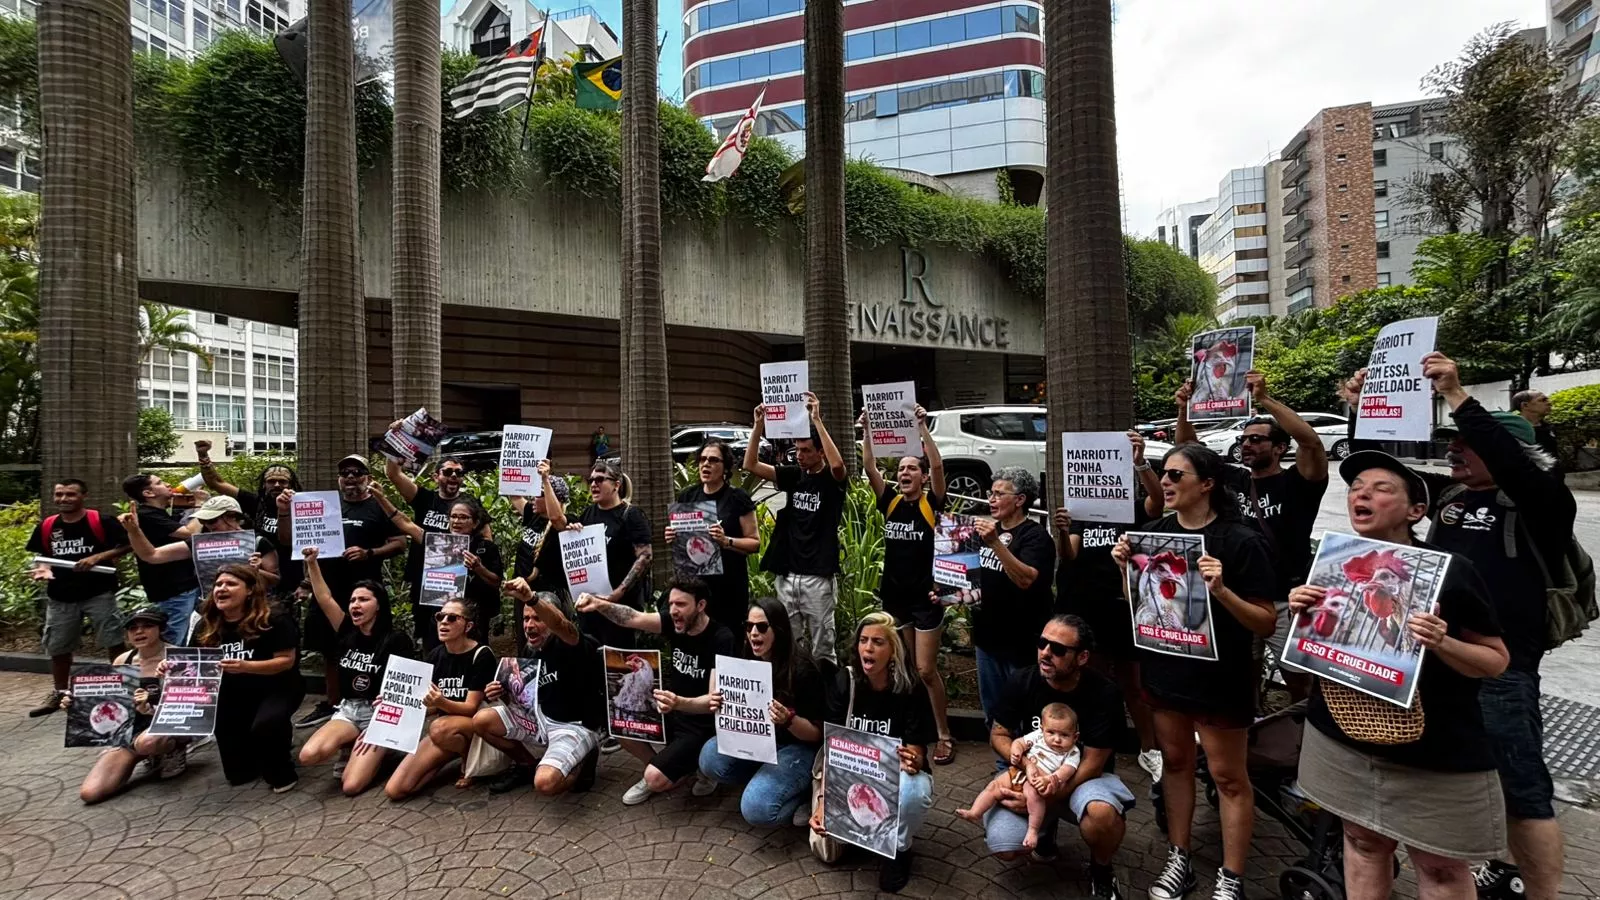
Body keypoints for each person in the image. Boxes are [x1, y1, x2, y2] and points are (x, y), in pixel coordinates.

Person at [1347, 354, 1577, 900]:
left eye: (1467, 444)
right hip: (1436, 661)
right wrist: (1364, 408)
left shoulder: (1540, 501)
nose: (1454, 450)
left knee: (1521, 789)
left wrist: (1455, 392)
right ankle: (1492, 862)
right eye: (1452, 442)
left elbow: (1513, 462)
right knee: (1464, 777)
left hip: (1500, 669)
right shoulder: (1450, 496)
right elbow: (1383, 478)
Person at [1291, 450, 1510, 900]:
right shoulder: (1332, 564)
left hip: (1431, 748)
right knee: (1362, 843)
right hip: (1342, 734)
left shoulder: (1451, 571)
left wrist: (1443, 642)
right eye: (1356, 488)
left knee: (1440, 867)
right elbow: (1316, 648)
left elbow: (1495, 660)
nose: (1362, 495)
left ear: (1416, 510)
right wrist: (1305, 612)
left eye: (1381, 489)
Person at [1111, 444, 1277, 900]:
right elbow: (1140, 607)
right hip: (1167, 672)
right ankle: (1178, 858)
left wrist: (1221, 591)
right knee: (1176, 764)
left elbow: (1265, 621)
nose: (1164, 482)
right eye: (1163, 473)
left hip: (1220, 680)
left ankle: (1231, 877)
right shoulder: (1153, 534)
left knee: (1228, 777)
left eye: (1175, 475)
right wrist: (1125, 571)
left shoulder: (1240, 541)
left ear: (1207, 484)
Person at [1177, 370, 1328, 701]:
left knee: (1299, 677)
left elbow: (1311, 443)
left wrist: (1264, 399)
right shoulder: (1235, 480)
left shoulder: (1298, 484)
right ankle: (1254, 719)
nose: (1247, 444)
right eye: (1244, 439)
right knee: (1245, 670)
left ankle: (1302, 725)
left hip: (1285, 598)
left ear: (1279, 448)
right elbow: (1189, 451)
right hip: (1241, 596)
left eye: (1257, 439)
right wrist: (1184, 409)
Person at [982, 614, 1137, 900]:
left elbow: (1093, 764)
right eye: (1042, 643)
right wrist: (1026, 765)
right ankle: (1045, 830)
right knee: (1004, 845)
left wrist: (1046, 797)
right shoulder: (1022, 680)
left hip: (1081, 779)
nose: (1045, 653)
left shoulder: (1105, 693)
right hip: (1032, 775)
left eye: (1058, 649)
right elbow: (999, 735)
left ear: (1082, 657)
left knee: (1101, 815)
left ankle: (1102, 869)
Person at [1053, 430, 1165, 782]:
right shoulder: (1082, 513)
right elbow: (1069, 555)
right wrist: (1062, 531)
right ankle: (1095, 747)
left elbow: (1158, 501)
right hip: (1089, 611)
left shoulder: (1132, 509)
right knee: (1094, 680)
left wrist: (1140, 463)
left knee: (1134, 684)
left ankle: (1149, 748)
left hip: (1124, 608)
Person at [576, 576, 738, 805]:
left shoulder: (721, 638)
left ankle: (688, 768)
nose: (673, 610)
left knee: (654, 779)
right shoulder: (674, 623)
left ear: (701, 605)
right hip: (670, 711)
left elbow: (714, 702)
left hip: (700, 725)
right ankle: (666, 767)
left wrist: (679, 702)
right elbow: (633, 617)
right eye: (671, 604)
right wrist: (599, 604)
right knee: (620, 723)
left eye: (681, 604)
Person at [808, 611, 936, 893]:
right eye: (863, 640)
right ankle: (862, 833)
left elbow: (918, 752)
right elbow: (832, 749)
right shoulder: (845, 681)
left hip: (891, 777)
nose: (868, 648)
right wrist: (823, 802)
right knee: (830, 846)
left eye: (878, 642)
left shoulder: (910, 687)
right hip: (850, 777)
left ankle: (899, 849)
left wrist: (913, 760)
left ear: (893, 651)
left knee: (914, 792)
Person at [277, 454, 406, 728]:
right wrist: (284, 511)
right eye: (345, 472)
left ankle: (375, 702)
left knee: (372, 646)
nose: (350, 477)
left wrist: (369, 552)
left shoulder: (377, 506)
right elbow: (288, 540)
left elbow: (399, 543)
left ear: (367, 477)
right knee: (330, 649)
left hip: (365, 591)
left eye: (357, 472)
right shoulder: (325, 506)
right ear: (338, 478)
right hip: (327, 589)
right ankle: (333, 703)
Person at [859, 404, 955, 764]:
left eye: (912, 468)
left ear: (922, 477)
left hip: (926, 599)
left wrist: (922, 427)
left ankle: (944, 734)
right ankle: (911, 729)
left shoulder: (932, 504)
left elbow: (939, 467)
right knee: (905, 669)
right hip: (895, 599)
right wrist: (867, 430)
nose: (904, 472)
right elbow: (870, 467)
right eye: (901, 468)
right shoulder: (891, 502)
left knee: (926, 670)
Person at [695, 596, 825, 826]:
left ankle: (804, 797)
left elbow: (817, 735)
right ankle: (767, 783)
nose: (754, 633)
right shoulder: (746, 658)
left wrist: (789, 720)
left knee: (756, 810)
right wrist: (722, 702)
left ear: (779, 630)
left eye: (762, 627)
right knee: (710, 756)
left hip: (798, 747)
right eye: (749, 626)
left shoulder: (803, 669)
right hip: (761, 741)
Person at [297, 547, 415, 796]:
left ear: (378, 605)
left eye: (363, 600)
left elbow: (409, 687)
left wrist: (381, 723)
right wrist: (312, 563)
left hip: (380, 714)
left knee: (351, 785)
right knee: (308, 755)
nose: (355, 605)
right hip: (349, 710)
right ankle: (353, 745)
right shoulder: (346, 631)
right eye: (352, 601)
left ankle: (385, 750)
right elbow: (324, 597)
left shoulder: (397, 640)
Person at [469, 579, 603, 796]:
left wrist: (531, 598)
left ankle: (584, 759)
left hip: (574, 725)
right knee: (482, 720)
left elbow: (561, 625)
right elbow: (524, 701)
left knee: (545, 783)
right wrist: (503, 693)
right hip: (540, 719)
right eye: (526, 618)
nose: (529, 625)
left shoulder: (573, 642)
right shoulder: (530, 650)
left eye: (537, 618)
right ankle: (526, 765)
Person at [745, 391, 848, 663]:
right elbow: (750, 464)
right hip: (788, 574)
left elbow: (838, 465)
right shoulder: (794, 476)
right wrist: (758, 426)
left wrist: (817, 420)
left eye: (806, 450)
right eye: (797, 450)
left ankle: (824, 688)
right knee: (788, 646)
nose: (799, 456)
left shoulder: (831, 480)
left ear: (820, 452)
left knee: (822, 647)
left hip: (818, 577)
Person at [192, 562, 302, 792]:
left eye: (231, 584)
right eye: (218, 584)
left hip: (277, 686)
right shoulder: (206, 624)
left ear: (250, 590)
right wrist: (168, 667)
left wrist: (246, 666)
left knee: (267, 729)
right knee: (239, 775)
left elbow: (286, 661)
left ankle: (281, 759)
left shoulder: (274, 618)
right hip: (232, 693)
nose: (222, 589)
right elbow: (193, 663)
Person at [25, 479, 131, 717]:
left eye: (70, 494)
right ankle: (60, 693)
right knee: (59, 646)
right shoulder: (47, 526)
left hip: (99, 593)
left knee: (113, 640)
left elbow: (127, 545)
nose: (63, 499)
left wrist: (98, 557)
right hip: (61, 596)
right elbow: (42, 556)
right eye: (59, 494)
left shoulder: (100, 521)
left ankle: (124, 689)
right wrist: (43, 570)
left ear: (83, 496)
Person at [65, 606, 184, 802]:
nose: (139, 632)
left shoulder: (178, 656)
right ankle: (142, 754)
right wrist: (76, 705)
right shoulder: (124, 659)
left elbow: (190, 706)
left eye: (147, 626)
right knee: (90, 793)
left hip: (168, 725)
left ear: (161, 628)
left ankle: (172, 750)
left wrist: (151, 708)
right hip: (130, 731)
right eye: (132, 628)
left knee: (148, 743)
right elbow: (109, 702)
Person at [383, 598, 497, 800]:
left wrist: (441, 702)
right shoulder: (435, 655)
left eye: (452, 618)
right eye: (440, 616)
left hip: (474, 727)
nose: (444, 622)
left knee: (437, 727)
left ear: (468, 626)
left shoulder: (481, 654)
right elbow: (428, 707)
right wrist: (392, 703)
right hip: (446, 732)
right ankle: (448, 757)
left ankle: (468, 760)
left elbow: (471, 708)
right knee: (396, 789)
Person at [968, 466, 1056, 725]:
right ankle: (997, 751)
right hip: (987, 639)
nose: (992, 500)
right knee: (993, 712)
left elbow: (1026, 579)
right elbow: (970, 577)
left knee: (1024, 713)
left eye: (999, 494)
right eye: (990, 493)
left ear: (1020, 500)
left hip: (1021, 642)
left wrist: (995, 544)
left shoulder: (1035, 536)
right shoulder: (987, 533)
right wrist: (946, 592)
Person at [372, 488, 502, 645]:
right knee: (436, 652)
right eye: (453, 516)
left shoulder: (486, 547)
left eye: (463, 517)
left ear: (475, 523)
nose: (457, 521)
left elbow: (496, 582)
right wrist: (380, 498)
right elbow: (405, 523)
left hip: (473, 617)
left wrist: (478, 568)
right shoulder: (439, 542)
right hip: (440, 615)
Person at [552, 459, 652, 651]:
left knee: (618, 660)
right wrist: (574, 532)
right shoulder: (588, 514)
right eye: (591, 480)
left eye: (599, 480)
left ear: (616, 485)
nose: (593, 485)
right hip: (591, 607)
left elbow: (645, 557)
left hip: (621, 608)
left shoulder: (631, 515)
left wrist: (618, 593)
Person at [958, 702, 1081, 852]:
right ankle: (975, 812)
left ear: (1075, 737)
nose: (1057, 739)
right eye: (1051, 732)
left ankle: (1033, 830)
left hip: (1038, 782)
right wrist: (1016, 751)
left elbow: (1066, 771)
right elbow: (1019, 742)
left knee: (1034, 798)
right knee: (994, 786)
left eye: (1064, 735)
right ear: (1042, 728)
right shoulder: (1038, 736)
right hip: (1019, 772)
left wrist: (1048, 779)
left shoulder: (1073, 753)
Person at [669, 438, 758, 628]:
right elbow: (684, 542)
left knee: (727, 637)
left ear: (725, 467)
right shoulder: (688, 496)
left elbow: (754, 543)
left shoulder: (737, 498)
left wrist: (727, 541)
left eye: (713, 460)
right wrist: (673, 537)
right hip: (696, 587)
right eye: (702, 459)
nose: (706, 464)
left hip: (729, 588)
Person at [385, 448, 469, 645]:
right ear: (436, 476)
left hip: (454, 579)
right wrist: (398, 442)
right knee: (427, 633)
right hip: (423, 578)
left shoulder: (469, 504)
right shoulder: (424, 498)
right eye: (448, 472)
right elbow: (393, 474)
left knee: (455, 630)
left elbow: (486, 538)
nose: (454, 476)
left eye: (458, 472)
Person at [194, 441, 301, 592]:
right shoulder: (255, 503)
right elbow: (216, 483)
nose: (277, 485)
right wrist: (203, 455)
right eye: (271, 481)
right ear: (264, 484)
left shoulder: (301, 505)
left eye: (283, 481)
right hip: (258, 573)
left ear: (291, 484)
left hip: (293, 572)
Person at [121, 495, 280, 593]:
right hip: (214, 608)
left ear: (232, 516)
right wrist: (134, 531)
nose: (208, 525)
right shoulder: (200, 543)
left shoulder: (258, 542)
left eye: (212, 520)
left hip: (254, 606)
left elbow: (275, 580)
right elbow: (151, 555)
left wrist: (256, 571)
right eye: (204, 521)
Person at [122, 473, 204, 645]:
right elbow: (190, 533)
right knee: (175, 640)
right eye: (159, 482)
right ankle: (166, 663)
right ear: (148, 493)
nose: (167, 484)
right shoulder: (147, 515)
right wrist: (201, 506)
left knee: (190, 635)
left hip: (181, 586)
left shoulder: (159, 512)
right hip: (173, 589)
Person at [1511, 389, 1560, 465]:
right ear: (1525, 405)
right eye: (1543, 400)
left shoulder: (1548, 427)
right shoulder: (1516, 431)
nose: (1549, 403)